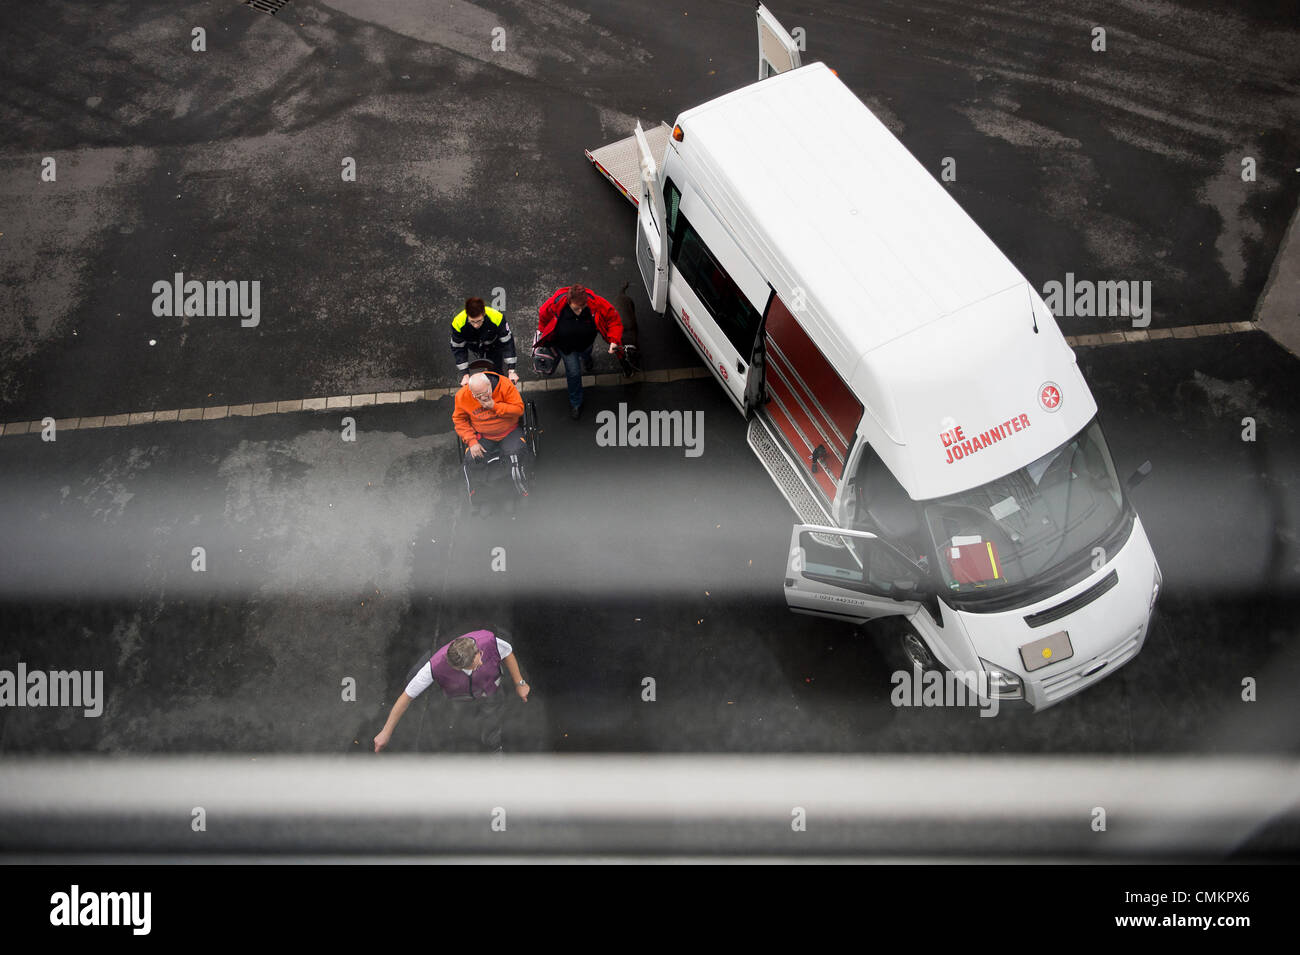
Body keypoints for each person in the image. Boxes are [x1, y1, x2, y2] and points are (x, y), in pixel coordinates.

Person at [374, 629, 530, 753]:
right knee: (458, 723)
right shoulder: (433, 668)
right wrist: (385, 732)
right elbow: (406, 697)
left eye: (480, 656)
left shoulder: (488, 641)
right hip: (459, 698)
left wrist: (520, 683)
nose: (482, 661)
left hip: (491, 690)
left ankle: (494, 747)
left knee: (492, 720)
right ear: (458, 667)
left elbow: (507, 653)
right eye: (476, 665)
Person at [536, 285, 623, 419]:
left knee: (586, 354)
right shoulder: (556, 304)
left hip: (586, 344)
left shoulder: (596, 303)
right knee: (574, 373)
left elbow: (613, 319)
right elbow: (543, 316)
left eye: (584, 306)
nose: (581, 310)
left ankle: (587, 359)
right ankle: (576, 403)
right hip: (567, 349)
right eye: (577, 308)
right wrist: (543, 334)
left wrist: (614, 340)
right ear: (568, 302)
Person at [450, 297, 520, 386]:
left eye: (479, 321)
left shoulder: (497, 317)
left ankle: (498, 389)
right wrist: (465, 375)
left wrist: (511, 371)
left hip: (493, 344)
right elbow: (458, 349)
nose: (476, 325)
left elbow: (508, 343)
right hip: (472, 343)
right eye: (472, 321)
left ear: (484, 314)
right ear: (467, 315)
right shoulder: (458, 322)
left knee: (496, 371)